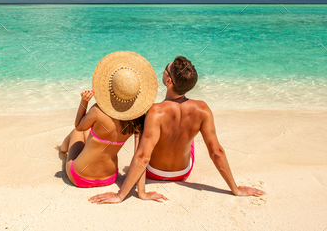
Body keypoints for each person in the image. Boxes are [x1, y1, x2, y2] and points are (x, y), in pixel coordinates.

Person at [89, 56, 266, 204]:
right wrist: (235, 189)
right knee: (187, 137)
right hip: (183, 172)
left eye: (167, 68)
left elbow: (143, 156)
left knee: (142, 130)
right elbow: (216, 152)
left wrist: (121, 195)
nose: (165, 68)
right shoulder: (203, 109)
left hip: (154, 171)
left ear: (168, 81)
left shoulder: (154, 111)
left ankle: (138, 188)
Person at [57, 51, 167, 201]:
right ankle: (63, 149)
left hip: (79, 176)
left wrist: (84, 101)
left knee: (75, 133)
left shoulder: (97, 111)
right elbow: (140, 157)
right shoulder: (138, 120)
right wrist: (142, 192)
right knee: (87, 135)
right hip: (109, 177)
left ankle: (62, 150)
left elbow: (78, 126)